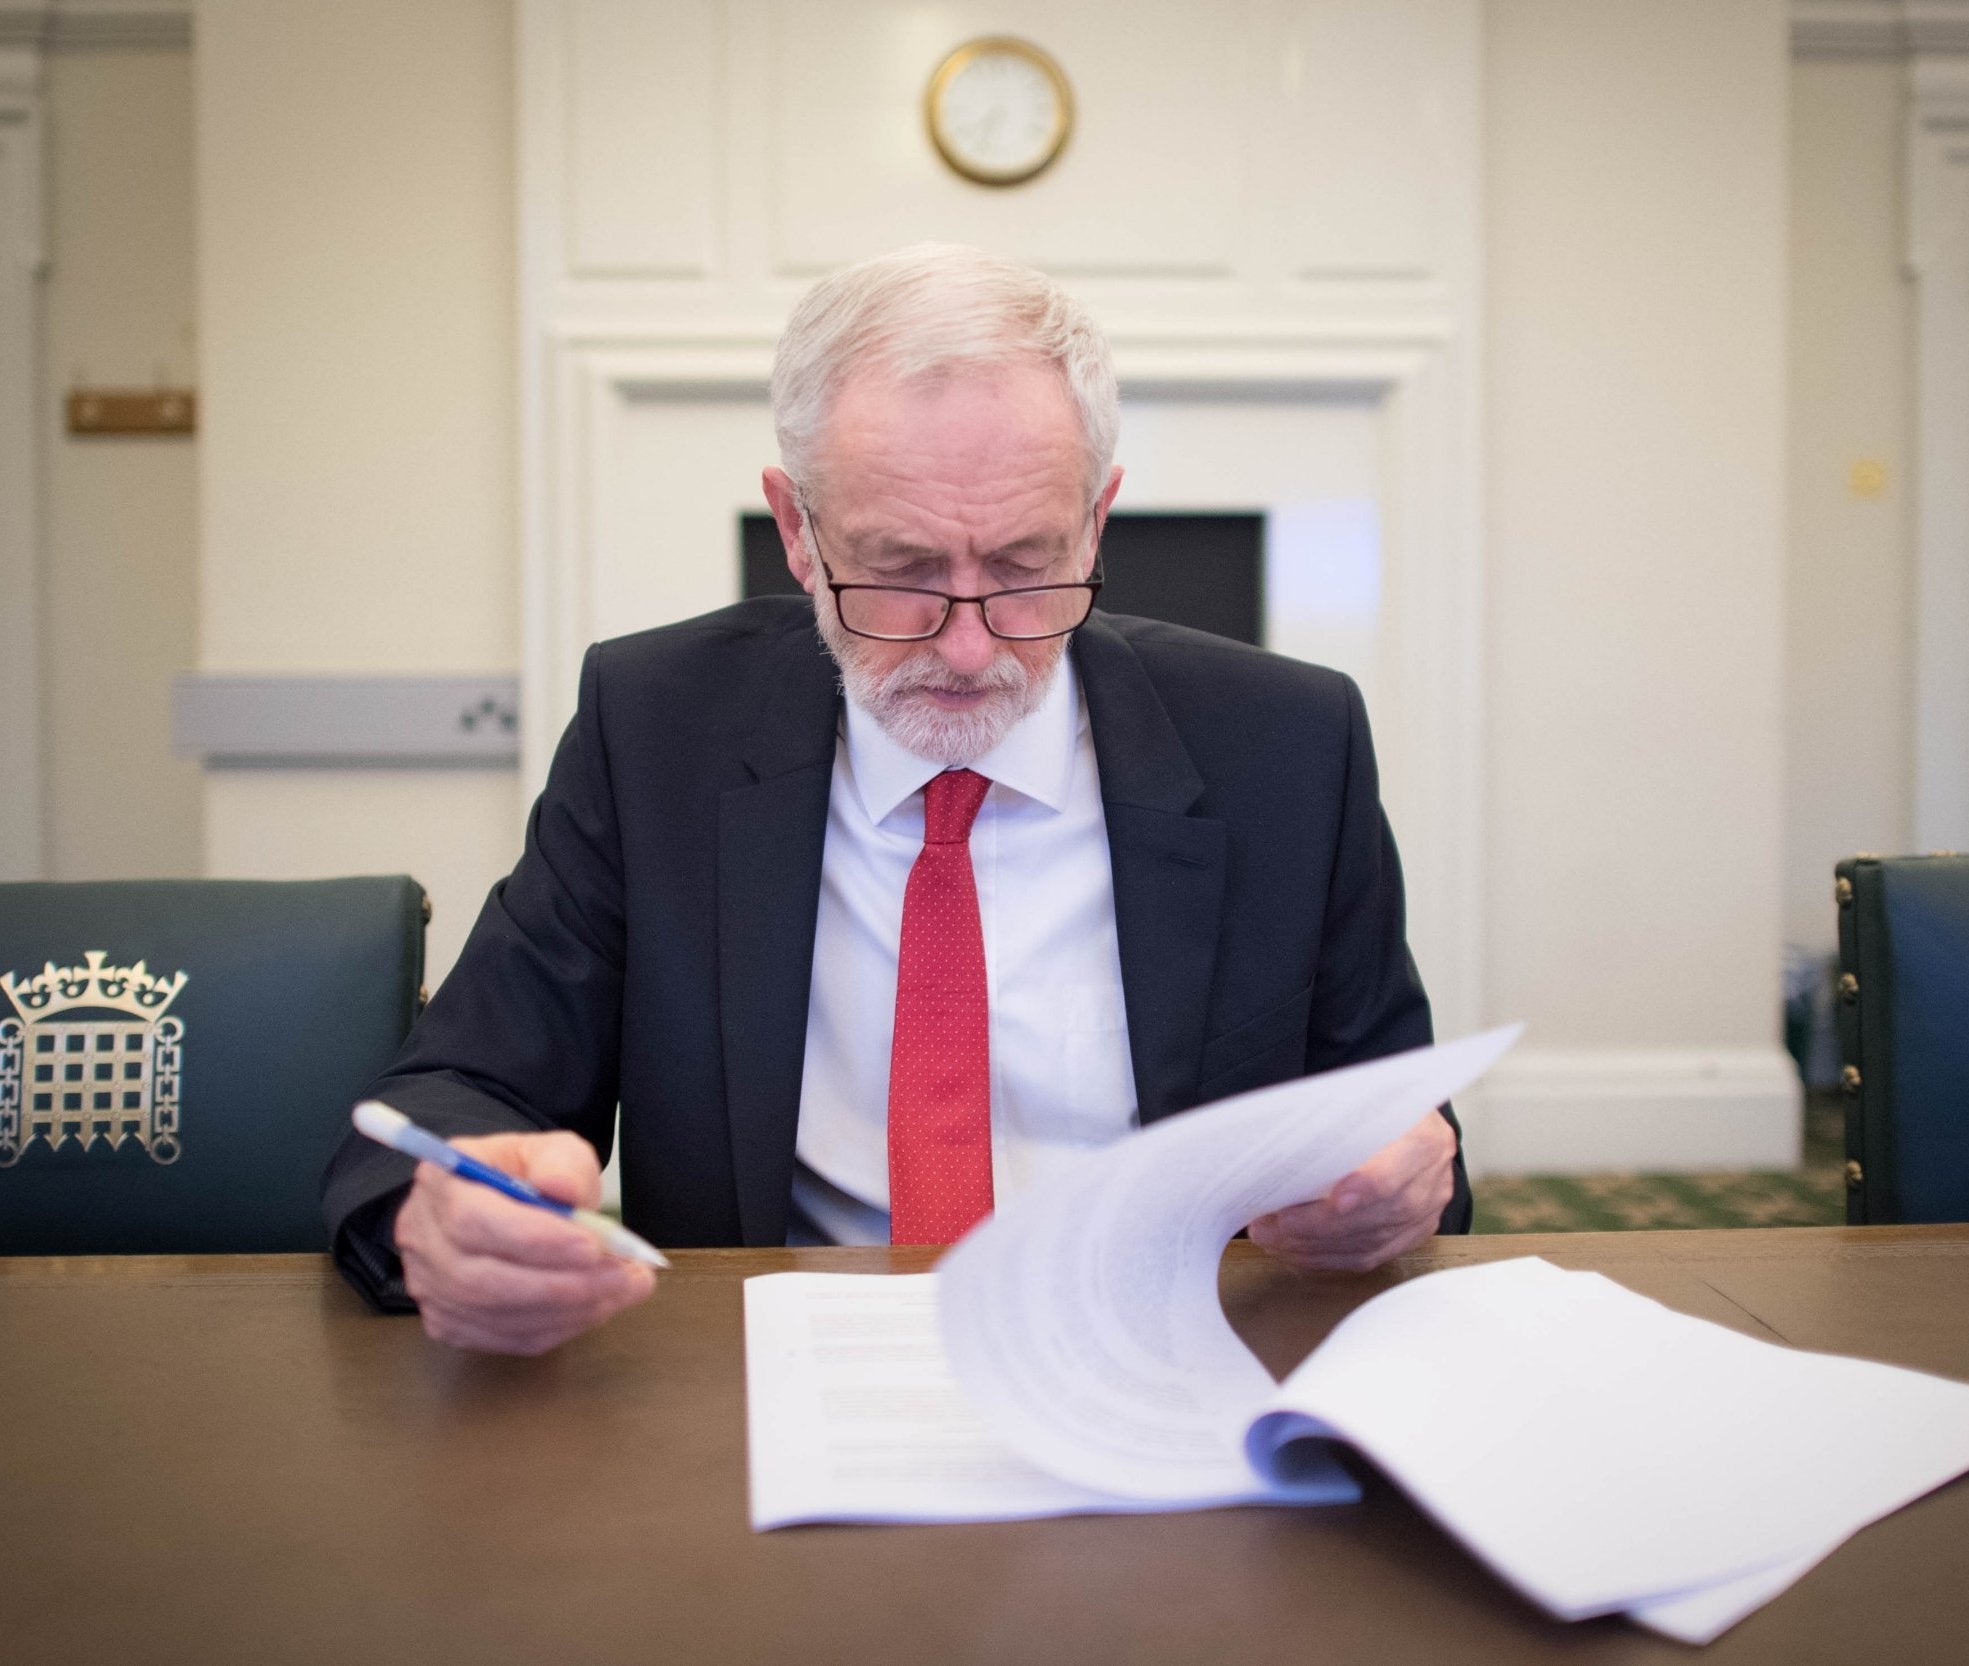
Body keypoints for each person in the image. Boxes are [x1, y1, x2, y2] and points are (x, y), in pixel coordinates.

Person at [322, 244, 1466, 1354]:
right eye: (903, 572)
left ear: (1096, 517)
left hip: (1164, 1369)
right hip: (772, 1383)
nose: (968, 649)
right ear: (798, 532)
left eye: (1024, 568)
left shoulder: (1286, 744)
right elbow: (458, 1084)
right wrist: (439, 1217)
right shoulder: (657, 726)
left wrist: (1409, 1177)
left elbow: (1400, 1126)